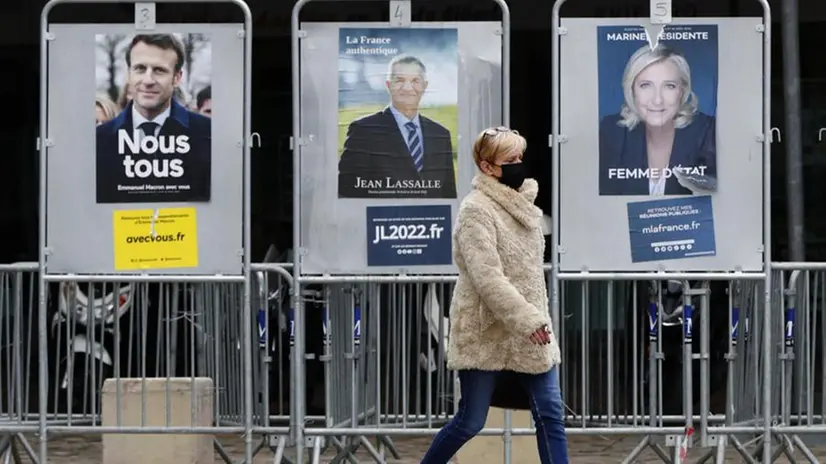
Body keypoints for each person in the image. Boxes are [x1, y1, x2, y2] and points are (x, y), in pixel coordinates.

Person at [420, 127, 568, 464]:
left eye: (520, 157)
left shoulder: (524, 204)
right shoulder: (476, 210)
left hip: (531, 330)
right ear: (488, 167)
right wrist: (527, 318)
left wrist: (532, 320)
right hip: (487, 329)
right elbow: (487, 277)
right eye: (510, 159)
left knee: (551, 414)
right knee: (470, 421)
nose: (519, 165)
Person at [96, 33, 212, 203]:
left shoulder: (207, 134)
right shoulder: (100, 140)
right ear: (129, 74)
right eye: (140, 69)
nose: (148, 80)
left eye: (159, 70)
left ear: (177, 78)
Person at [599, 44, 716, 196]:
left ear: (682, 91)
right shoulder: (611, 131)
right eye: (645, 85)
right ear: (632, 89)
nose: (657, 100)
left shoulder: (708, 132)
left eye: (669, 86)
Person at [337, 54, 457, 199]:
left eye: (415, 81)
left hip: (430, 220)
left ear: (425, 86)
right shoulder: (364, 130)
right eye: (399, 80)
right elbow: (346, 190)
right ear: (388, 85)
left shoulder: (440, 135)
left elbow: (448, 194)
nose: (407, 88)